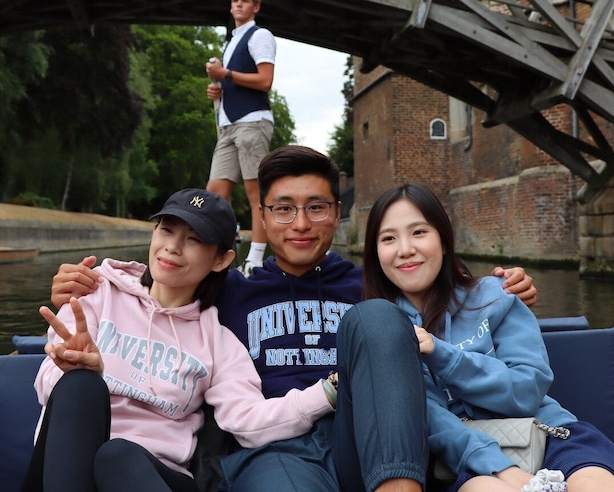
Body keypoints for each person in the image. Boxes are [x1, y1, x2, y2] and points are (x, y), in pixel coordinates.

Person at [49, 146, 537, 492]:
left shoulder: (378, 280)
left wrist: (503, 291)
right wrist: (87, 288)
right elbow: (166, 292)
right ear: (262, 216)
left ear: (337, 213)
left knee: (378, 319)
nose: (300, 223)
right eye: (283, 209)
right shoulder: (228, 290)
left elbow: (445, 292)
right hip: (274, 448)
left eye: (315, 208)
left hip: (366, 437)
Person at [24, 189, 335, 492]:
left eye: (194, 239)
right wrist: (74, 369)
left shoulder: (217, 341)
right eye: (166, 230)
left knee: (117, 455)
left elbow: (250, 422)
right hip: (63, 470)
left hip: (151, 474)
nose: (172, 247)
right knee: (82, 385)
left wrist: (328, 391)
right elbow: (46, 388)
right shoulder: (96, 294)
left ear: (221, 260)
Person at [360, 182, 614, 492]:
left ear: (443, 240)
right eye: (389, 238)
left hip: (550, 433)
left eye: (418, 232)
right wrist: (500, 467)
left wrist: (441, 354)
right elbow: (428, 420)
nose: (405, 249)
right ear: (375, 253)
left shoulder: (498, 294)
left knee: (596, 485)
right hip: (464, 462)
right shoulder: (380, 331)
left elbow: (527, 392)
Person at [205, 0, 276, 276]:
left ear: (255, 7)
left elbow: (265, 80)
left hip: (251, 122)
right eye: (234, 0)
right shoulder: (232, 40)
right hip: (229, 126)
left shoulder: (260, 36)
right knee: (214, 194)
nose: (238, 4)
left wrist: (226, 74)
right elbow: (233, 81)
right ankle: (218, 255)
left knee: (255, 194)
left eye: (244, 1)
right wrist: (218, 90)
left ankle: (255, 260)